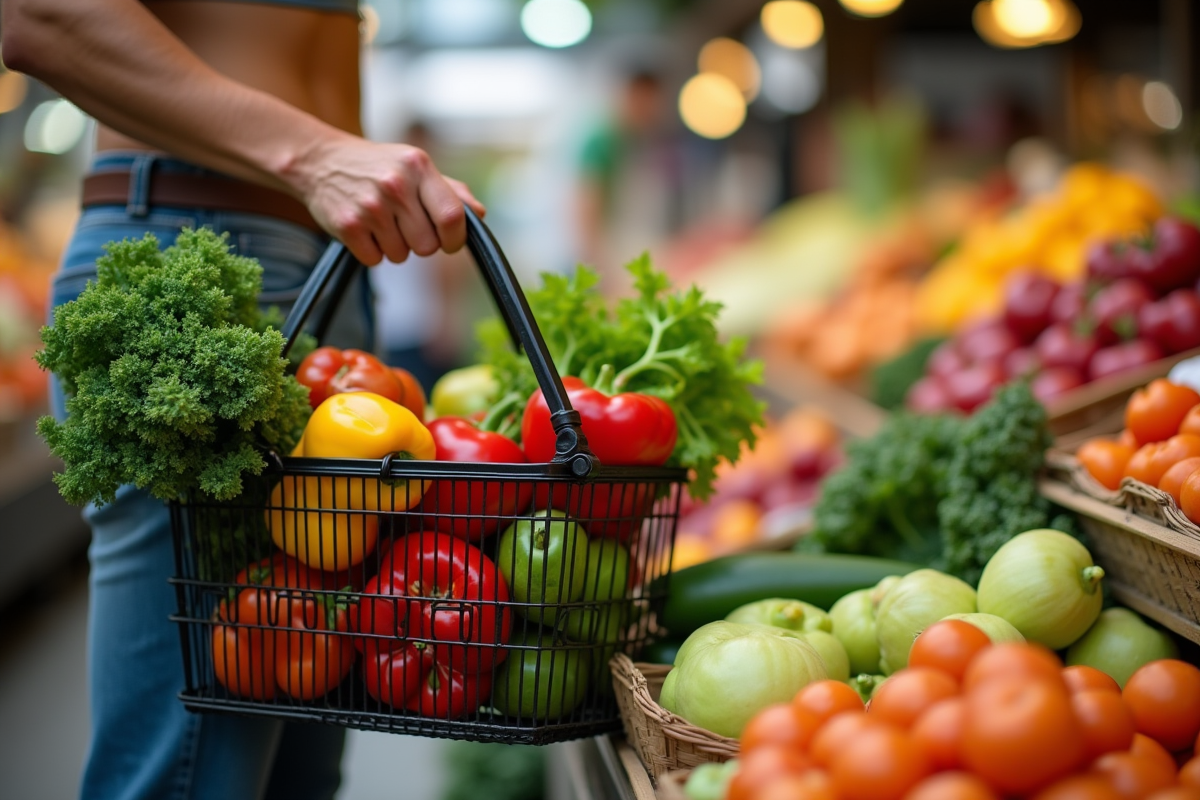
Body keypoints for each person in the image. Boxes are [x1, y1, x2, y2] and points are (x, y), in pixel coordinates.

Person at [0, 2, 484, 799]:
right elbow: (44, 16)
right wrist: (317, 155)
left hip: (329, 256)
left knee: (299, 764)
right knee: (190, 768)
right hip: (197, 246)